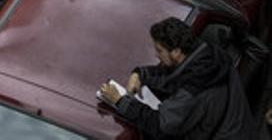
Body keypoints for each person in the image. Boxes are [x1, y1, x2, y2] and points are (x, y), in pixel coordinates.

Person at [100, 18, 265, 138]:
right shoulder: (208, 55)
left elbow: (160, 126)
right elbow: (175, 76)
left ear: (176, 52)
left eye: (159, 50)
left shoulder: (192, 90)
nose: (156, 55)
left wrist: (120, 101)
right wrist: (140, 74)